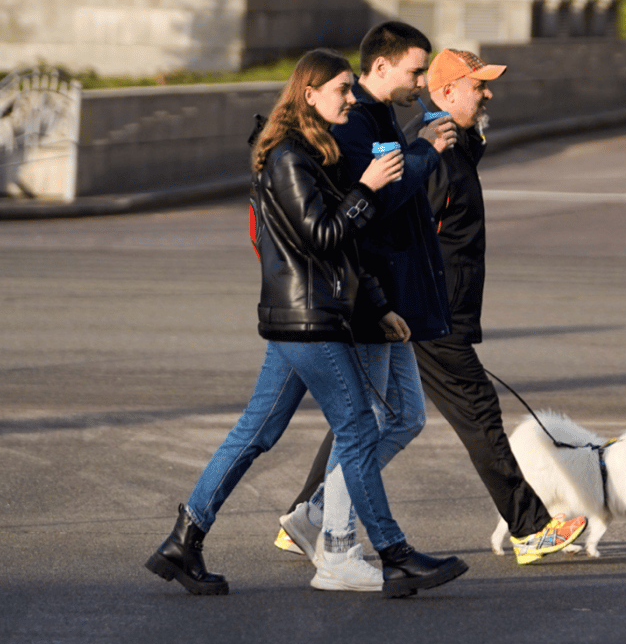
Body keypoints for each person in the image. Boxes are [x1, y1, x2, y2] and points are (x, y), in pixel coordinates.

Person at [144, 48, 467, 598]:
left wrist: (379, 304)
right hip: (307, 319)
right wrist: (366, 188)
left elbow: (349, 249)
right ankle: (392, 554)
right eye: (341, 89)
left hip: (306, 315)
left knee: (257, 432)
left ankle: (184, 539)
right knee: (360, 430)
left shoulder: (318, 153)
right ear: (309, 95)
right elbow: (322, 237)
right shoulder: (288, 158)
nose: (350, 97)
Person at [280, 48, 587, 567]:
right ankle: (530, 528)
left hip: (430, 310)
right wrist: (403, 303)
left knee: (366, 415)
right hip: (429, 312)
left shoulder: (456, 145)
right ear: (445, 94)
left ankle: (305, 516)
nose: (488, 93)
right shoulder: (434, 154)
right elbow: (400, 226)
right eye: (478, 86)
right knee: (477, 413)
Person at [273, 21, 458, 588]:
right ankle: (335, 541)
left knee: (403, 417)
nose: (421, 81)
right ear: (381, 67)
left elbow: (395, 202)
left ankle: (315, 515)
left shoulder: (377, 120)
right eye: (415, 71)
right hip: (365, 298)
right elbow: (370, 210)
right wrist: (424, 153)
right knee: (367, 421)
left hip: (387, 295)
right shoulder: (354, 125)